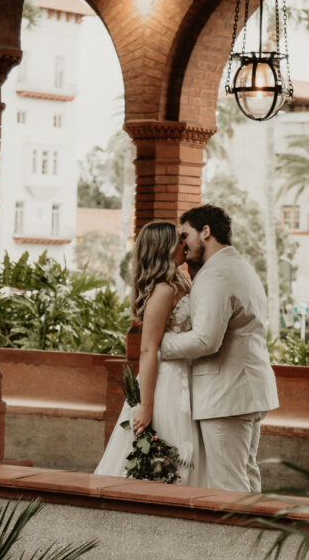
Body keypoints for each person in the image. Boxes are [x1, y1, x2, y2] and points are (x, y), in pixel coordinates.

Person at [160, 204, 278, 493]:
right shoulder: (239, 266)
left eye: (185, 235)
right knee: (245, 476)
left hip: (226, 393)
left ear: (206, 232)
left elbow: (205, 340)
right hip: (245, 389)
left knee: (228, 485)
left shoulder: (217, 274)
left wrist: (162, 345)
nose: (182, 245)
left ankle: (236, 540)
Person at [94, 221, 203, 485]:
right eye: (178, 240)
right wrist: (146, 406)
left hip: (187, 379)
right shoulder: (163, 290)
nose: (184, 243)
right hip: (167, 382)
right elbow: (148, 349)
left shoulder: (181, 280)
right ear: (165, 248)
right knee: (166, 455)